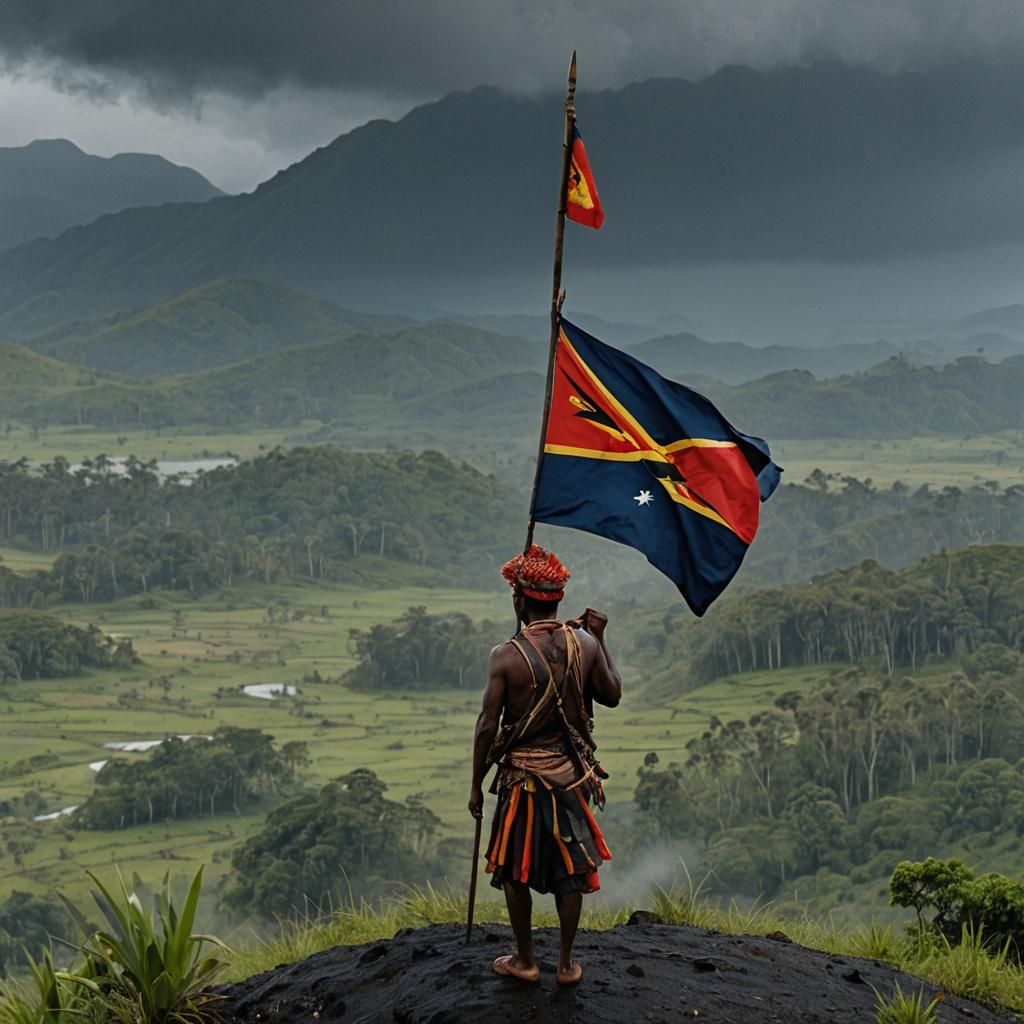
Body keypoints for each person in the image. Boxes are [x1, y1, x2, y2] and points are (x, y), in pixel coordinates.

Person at [469, 544, 622, 985]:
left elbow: (485, 727)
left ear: (520, 600)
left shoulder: (506, 656)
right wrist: (601, 637)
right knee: (571, 869)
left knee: (514, 867)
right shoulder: (586, 645)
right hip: (571, 778)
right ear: (555, 599)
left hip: (521, 781)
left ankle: (525, 960)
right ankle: (566, 964)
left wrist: (477, 786)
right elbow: (611, 694)